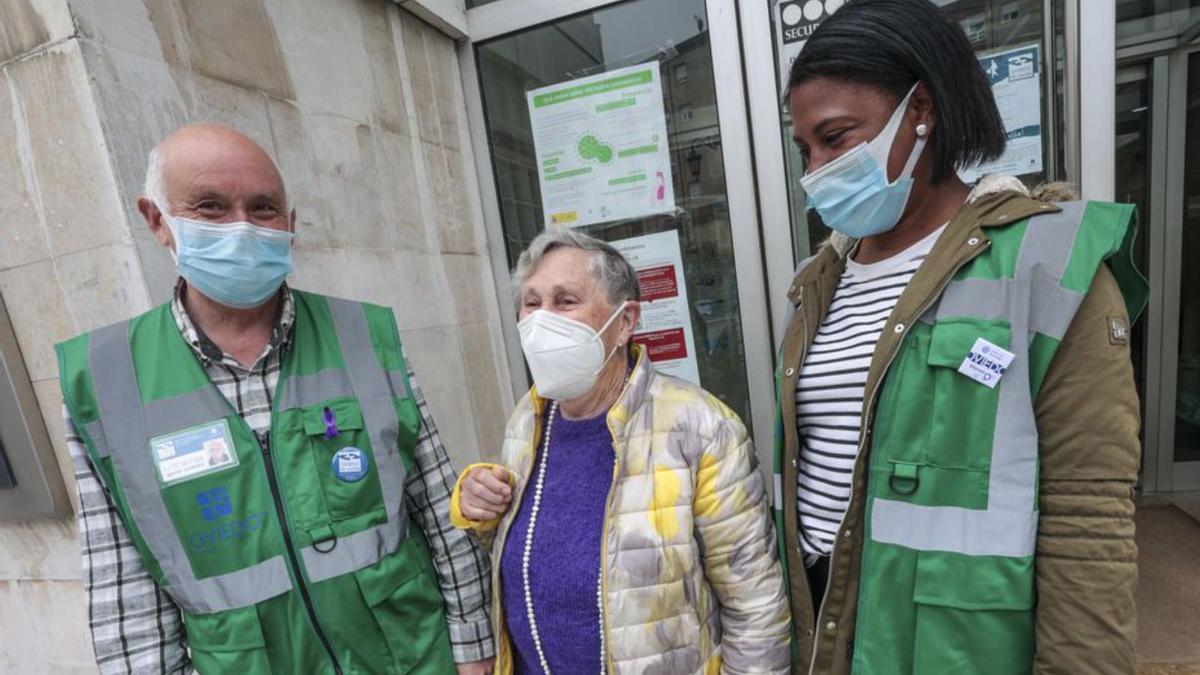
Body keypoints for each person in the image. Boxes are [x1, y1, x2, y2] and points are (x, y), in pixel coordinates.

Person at [773, 1, 1148, 673]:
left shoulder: (1048, 266)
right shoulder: (818, 282)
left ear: (921, 111)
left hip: (954, 644)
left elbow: (1088, 523)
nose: (816, 170)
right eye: (806, 150)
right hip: (828, 626)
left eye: (835, 138)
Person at [57, 124, 494, 675]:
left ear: (290, 226)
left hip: (410, 656)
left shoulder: (361, 333)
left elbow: (435, 500)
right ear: (158, 221)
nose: (242, 229)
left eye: (262, 208)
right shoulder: (104, 377)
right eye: (211, 207)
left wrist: (474, 647)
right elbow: (124, 592)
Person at [450, 229, 791, 674]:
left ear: (625, 321)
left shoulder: (702, 428)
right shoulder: (528, 417)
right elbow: (529, 549)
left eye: (565, 300)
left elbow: (756, 611)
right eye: (531, 303)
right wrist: (480, 508)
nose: (540, 320)